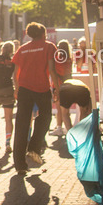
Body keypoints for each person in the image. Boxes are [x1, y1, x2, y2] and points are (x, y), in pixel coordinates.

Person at [12, 23, 60, 176]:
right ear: (44, 33)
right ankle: (34, 147)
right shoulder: (48, 46)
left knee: (22, 125)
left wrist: (17, 88)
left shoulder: (23, 48)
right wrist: (57, 88)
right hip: (42, 88)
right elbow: (52, 69)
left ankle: (20, 164)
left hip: (25, 89)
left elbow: (15, 73)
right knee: (45, 118)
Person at [52, 40, 74, 135]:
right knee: (66, 109)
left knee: (59, 109)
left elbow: (53, 70)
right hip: (68, 85)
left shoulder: (57, 58)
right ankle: (67, 127)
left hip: (58, 85)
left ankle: (59, 127)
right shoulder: (69, 58)